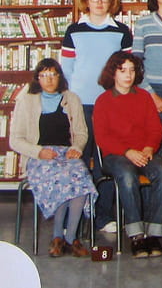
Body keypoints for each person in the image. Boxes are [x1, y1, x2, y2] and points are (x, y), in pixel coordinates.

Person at [61, 0, 132, 233]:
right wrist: (69, 102)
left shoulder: (122, 31)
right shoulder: (73, 30)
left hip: (111, 105)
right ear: (86, 2)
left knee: (106, 162)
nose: (99, 2)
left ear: (112, 2)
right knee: (79, 160)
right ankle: (75, 219)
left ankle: (104, 217)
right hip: (80, 105)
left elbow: (127, 70)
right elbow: (66, 70)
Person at [10, 59, 97, 257]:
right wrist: (38, 152)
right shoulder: (27, 100)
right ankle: (58, 237)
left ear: (60, 77)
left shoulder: (72, 99)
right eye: (44, 75)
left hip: (67, 154)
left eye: (53, 75)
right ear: (37, 79)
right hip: (39, 156)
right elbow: (15, 140)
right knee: (61, 178)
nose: (49, 80)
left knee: (81, 176)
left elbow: (81, 133)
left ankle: (71, 237)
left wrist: (76, 148)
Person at [93, 52, 162, 258]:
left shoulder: (144, 97)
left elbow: (155, 129)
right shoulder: (103, 100)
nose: (128, 75)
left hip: (144, 152)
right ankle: (136, 235)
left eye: (132, 70)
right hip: (116, 156)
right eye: (123, 71)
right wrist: (127, 152)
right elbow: (102, 137)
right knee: (127, 177)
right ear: (113, 73)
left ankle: (153, 234)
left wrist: (149, 148)